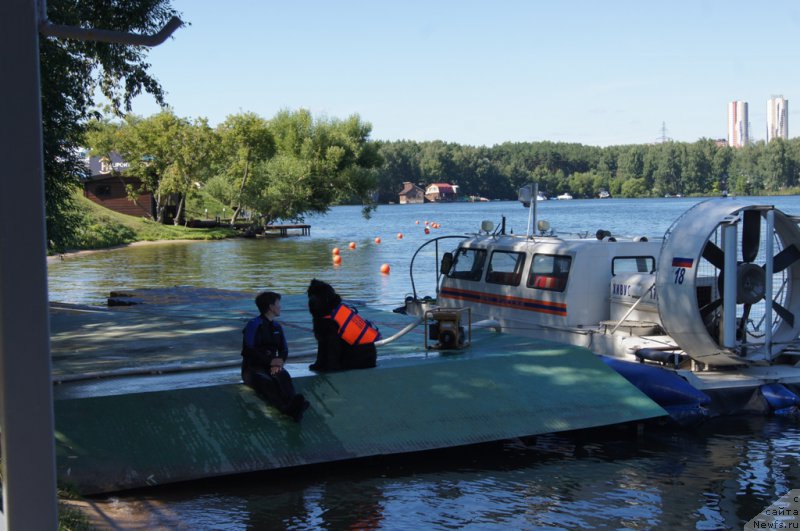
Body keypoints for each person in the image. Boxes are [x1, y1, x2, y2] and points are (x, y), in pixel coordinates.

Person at [241, 291, 310, 421]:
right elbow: (248, 350)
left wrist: (279, 363)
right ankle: (284, 408)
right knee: (266, 381)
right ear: (271, 307)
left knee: (283, 375)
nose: (280, 307)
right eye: (278, 304)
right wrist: (270, 362)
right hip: (252, 368)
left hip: (271, 365)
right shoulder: (253, 324)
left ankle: (294, 405)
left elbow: (284, 349)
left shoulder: (277, 326)